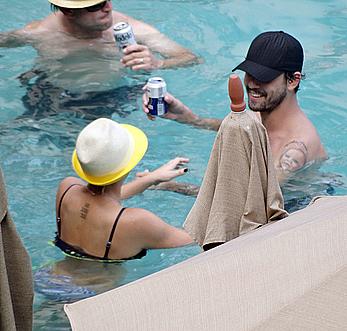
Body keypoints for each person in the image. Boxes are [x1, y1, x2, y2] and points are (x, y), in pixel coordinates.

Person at [143, 31, 327, 181]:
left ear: (292, 81)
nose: (252, 84)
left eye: (264, 77)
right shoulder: (263, 114)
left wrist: (168, 186)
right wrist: (189, 119)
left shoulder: (293, 153)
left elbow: (242, 206)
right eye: (249, 73)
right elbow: (241, 127)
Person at [0, 0, 200, 119]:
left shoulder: (131, 29)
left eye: (107, 0)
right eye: (96, 5)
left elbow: (190, 58)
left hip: (110, 96)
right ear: (68, 11)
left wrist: (159, 64)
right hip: (49, 90)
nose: (108, 8)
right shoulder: (40, 32)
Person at [55, 118, 193, 261]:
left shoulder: (67, 189)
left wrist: (152, 178)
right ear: (129, 164)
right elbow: (196, 238)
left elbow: (103, 199)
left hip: (50, 276)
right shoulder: (137, 222)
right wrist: (180, 188)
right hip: (101, 284)